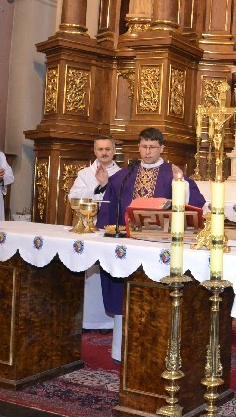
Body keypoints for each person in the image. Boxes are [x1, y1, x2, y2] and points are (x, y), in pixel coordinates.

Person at [96, 127, 206, 362]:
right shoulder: (126, 173)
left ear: (162, 148)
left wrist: (181, 184)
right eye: (144, 147)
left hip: (159, 247)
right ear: (138, 147)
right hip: (129, 245)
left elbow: (195, 203)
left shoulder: (172, 172)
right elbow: (110, 203)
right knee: (125, 292)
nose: (147, 152)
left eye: (153, 147)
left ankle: (155, 349)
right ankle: (121, 351)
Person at [69, 136, 121, 331]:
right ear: (94, 151)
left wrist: (107, 185)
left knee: (110, 270)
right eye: (100, 149)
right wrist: (98, 186)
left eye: (107, 149)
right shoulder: (84, 174)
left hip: (111, 228)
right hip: (88, 227)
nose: (104, 153)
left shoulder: (121, 174)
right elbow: (73, 197)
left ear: (114, 151)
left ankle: (109, 322)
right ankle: (90, 321)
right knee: (90, 272)